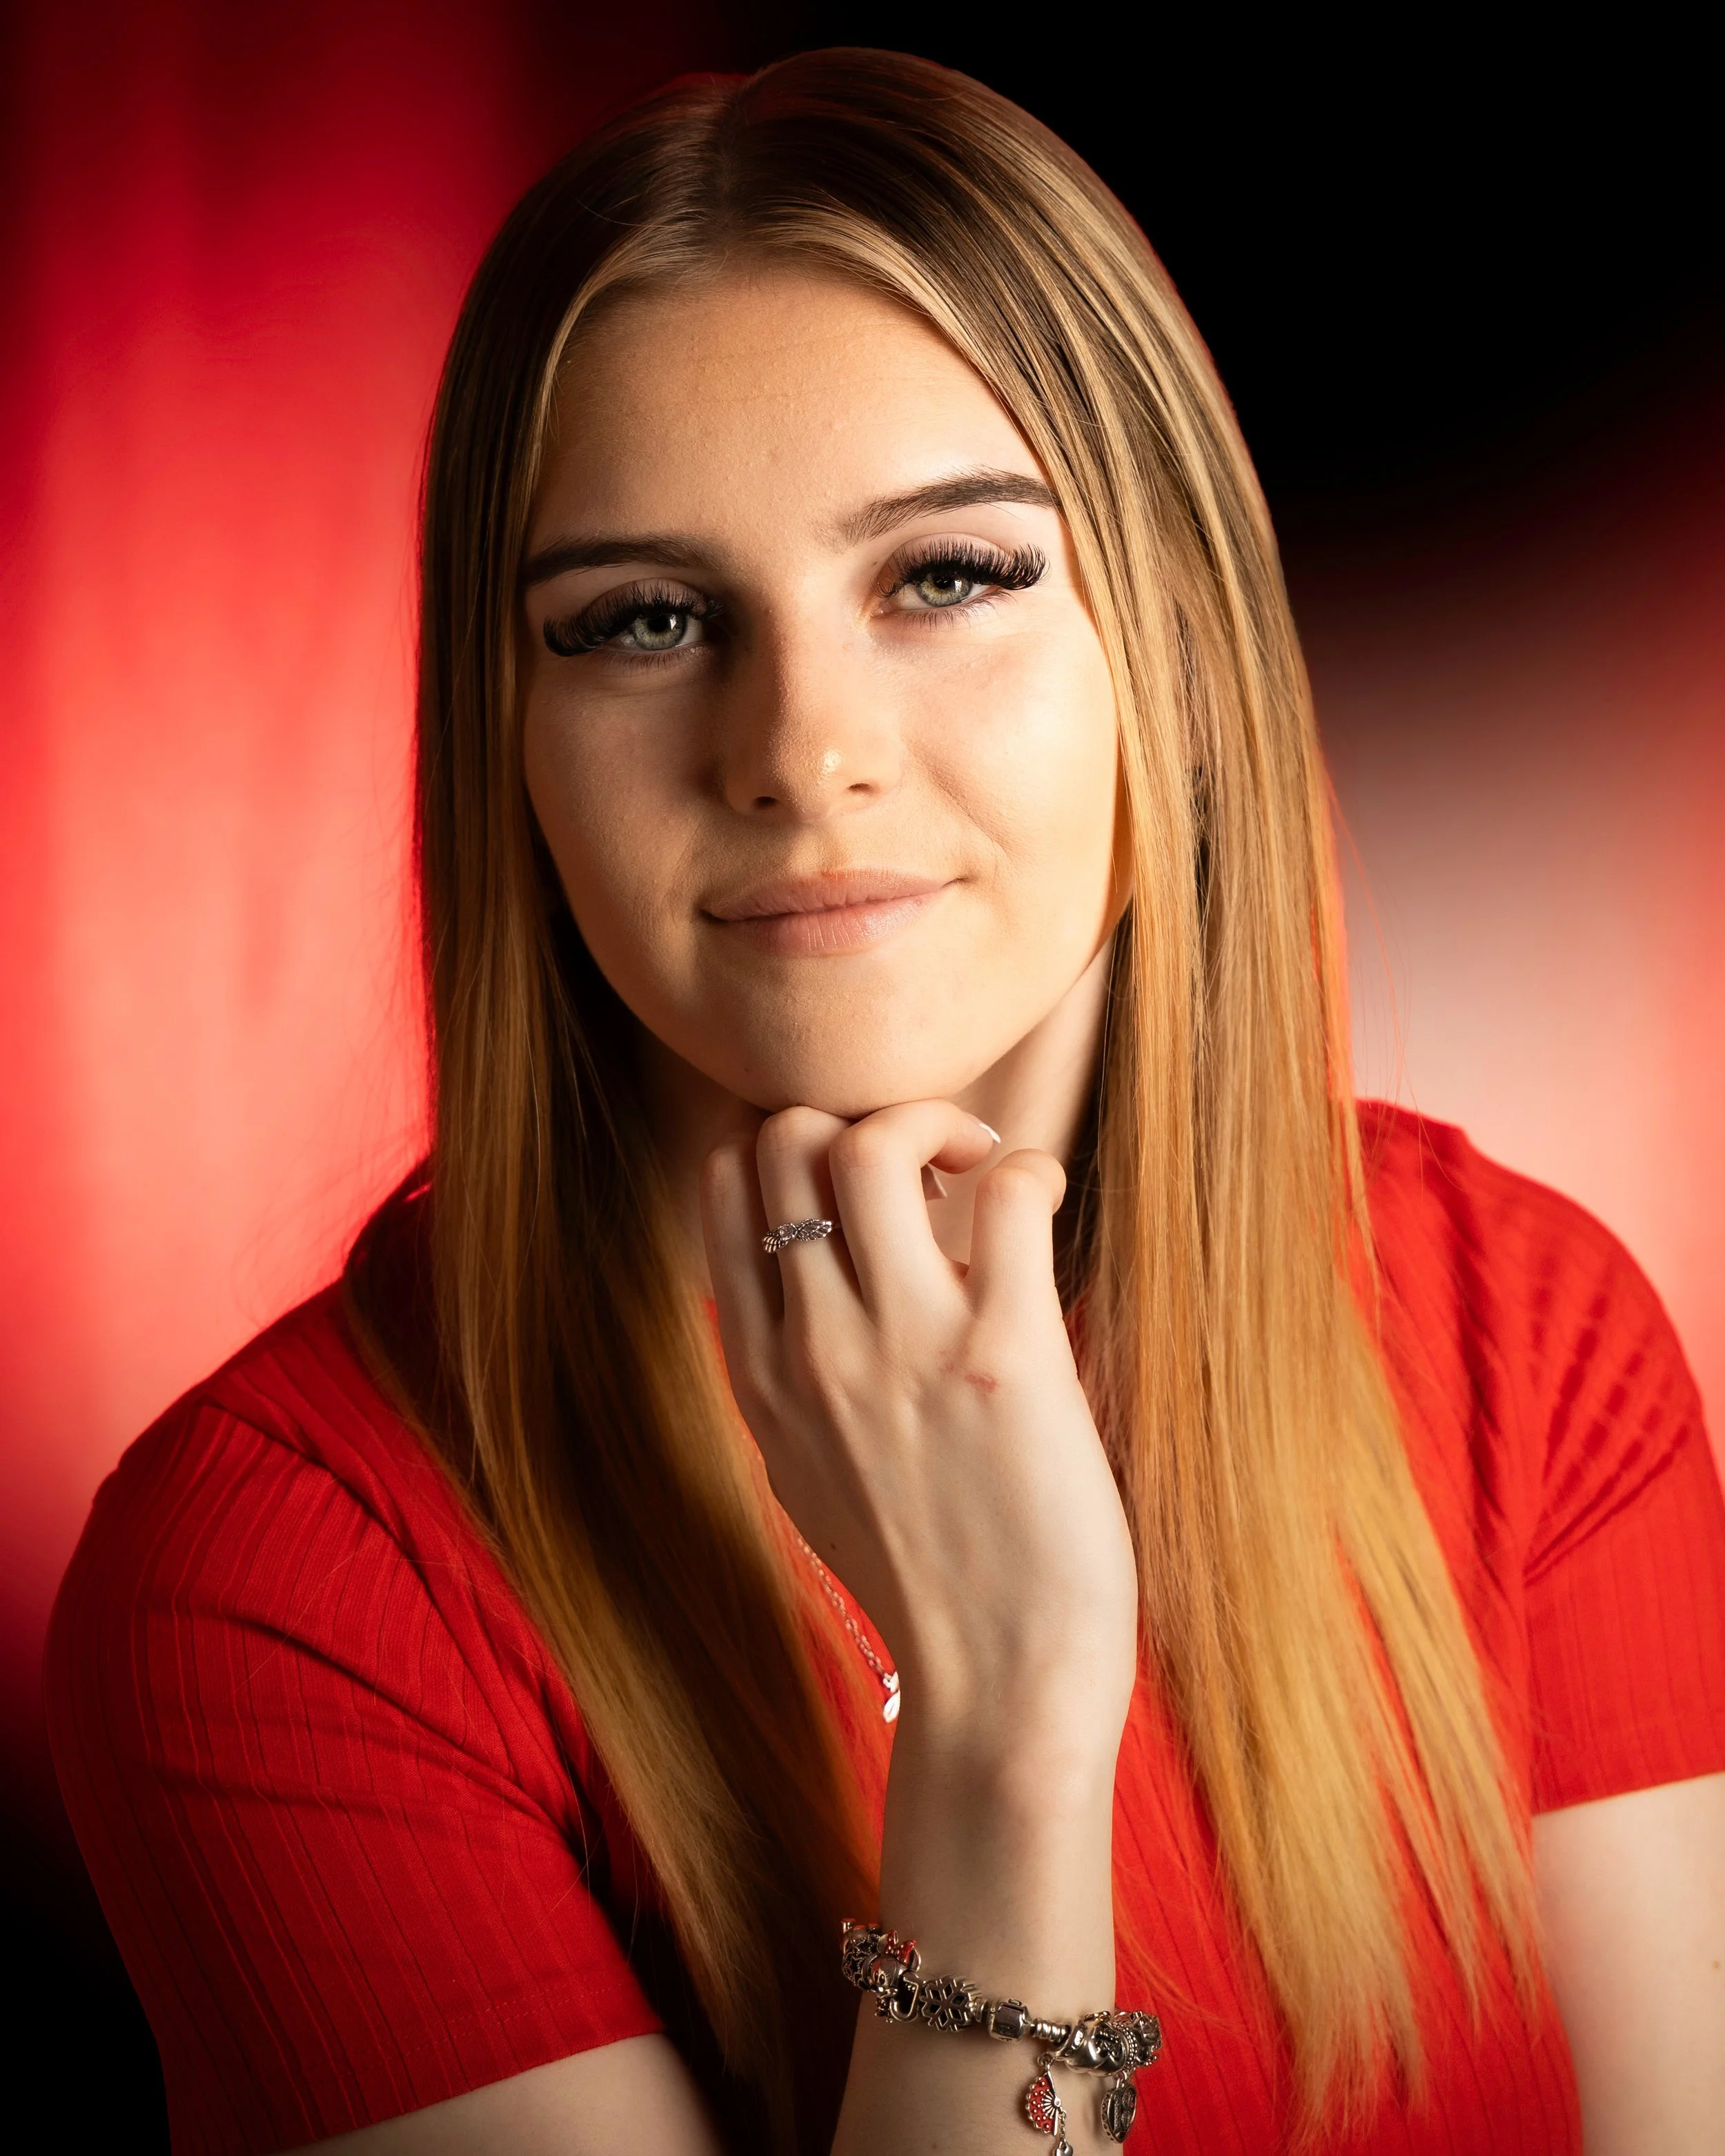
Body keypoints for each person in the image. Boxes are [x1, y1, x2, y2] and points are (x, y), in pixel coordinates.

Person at [45, 48, 1725, 2156]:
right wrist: (1005, 1722)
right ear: (513, 732)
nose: (799, 748)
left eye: (944, 575)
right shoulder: (281, 1579)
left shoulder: (1520, 1336)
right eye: (644, 619)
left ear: (1172, 635)